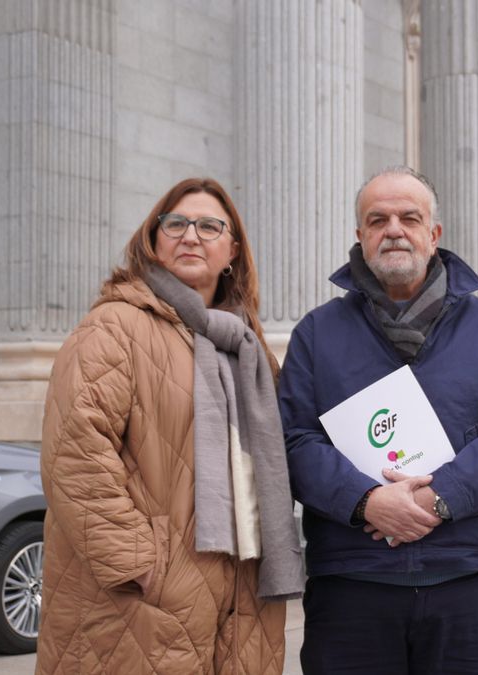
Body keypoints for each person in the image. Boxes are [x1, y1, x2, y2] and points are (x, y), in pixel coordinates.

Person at [279, 166, 478, 674]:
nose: (394, 229)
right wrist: (366, 502)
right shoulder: (318, 332)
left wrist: (437, 497)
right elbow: (293, 439)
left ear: (433, 233)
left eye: (409, 217)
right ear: (360, 237)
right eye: (378, 220)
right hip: (353, 581)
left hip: (462, 578)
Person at [37, 178, 305, 674]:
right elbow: (73, 455)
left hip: (244, 598)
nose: (190, 235)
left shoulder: (249, 351)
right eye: (175, 224)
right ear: (154, 241)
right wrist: (141, 563)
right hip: (137, 603)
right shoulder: (115, 327)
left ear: (232, 250)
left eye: (208, 226)